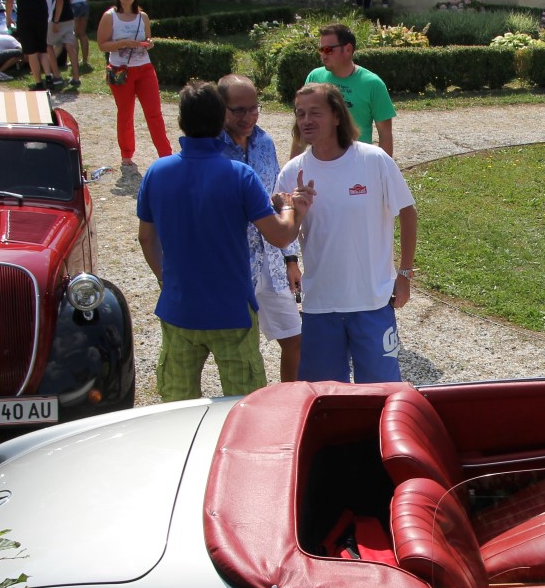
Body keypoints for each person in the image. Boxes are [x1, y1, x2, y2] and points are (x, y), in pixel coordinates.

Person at [137, 81, 315, 402]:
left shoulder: (156, 172)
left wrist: (166, 279)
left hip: (180, 310)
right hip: (232, 311)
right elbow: (280, 234)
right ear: (221, 117)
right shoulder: (239, 175)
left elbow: (146, 238)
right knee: (244, 407)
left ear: (180, 121)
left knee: (178, 406)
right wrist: (292, 208)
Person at [275, 82, 417, 383]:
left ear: (337, 116)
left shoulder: (373, 160)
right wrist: (297, 212)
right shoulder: (292, 172)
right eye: (300, 114)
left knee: (382, 392)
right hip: (321, 305)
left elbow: (407, 212)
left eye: (315, 112)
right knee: (325, 397)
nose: (306, 121)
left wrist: (403, 275)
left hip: (371, 302)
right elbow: (283, 238)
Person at [219, 73, 303, 382]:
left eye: (254, 108)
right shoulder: (211, 148)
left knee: (296, 341)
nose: (248, 117)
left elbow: (279, 198)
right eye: (238, 110)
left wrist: (290, 258)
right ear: (221, 109)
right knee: (244, 353)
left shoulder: (264, 142)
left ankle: (290, 406)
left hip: (272, 260)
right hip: (236, 267)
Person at [98, 0, 172, 165]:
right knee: (125, 113)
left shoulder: (142, 16)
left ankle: (166, 155)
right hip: (121, 70)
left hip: (144, 68)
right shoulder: (109, 16)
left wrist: (149, 44)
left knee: (154, 113)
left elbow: (147, 38)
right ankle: (127, 154)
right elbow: (102, 45)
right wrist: (123, 43)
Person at [305, 23, 395, 156]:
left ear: (348, 49)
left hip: (358, 164)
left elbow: (385, 134)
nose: (323, 55)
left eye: (328, 50)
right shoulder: (314, 77)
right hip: (321, 163)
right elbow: (301, 129)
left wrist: (383, 172)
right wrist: (292, 169)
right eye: (321, 49)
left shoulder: (373, 84)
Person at [2, 0, 57, 90]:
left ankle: (38, 82)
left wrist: (8, 17)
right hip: (40, 15)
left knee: (31, 52)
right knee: (42, 49)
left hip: (24, 16)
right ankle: (49, 76)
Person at [46, 0, 79, 88]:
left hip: (58, 18)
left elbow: (59, 1)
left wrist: (56, 21)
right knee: (69, 46)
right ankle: (76, 77)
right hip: (69, 15)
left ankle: (56, 75)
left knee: (48, 44)